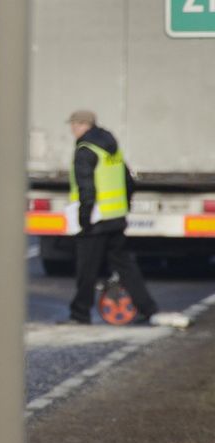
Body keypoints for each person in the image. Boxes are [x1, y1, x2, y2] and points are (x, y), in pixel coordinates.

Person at [66, 110, 181, 325]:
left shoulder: (85, 150)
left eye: (74, 124)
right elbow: (128, 181)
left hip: (96, 220)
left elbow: (86, 189)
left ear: (83, 125)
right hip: (115, 218)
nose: (72, 129)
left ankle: (79, 314)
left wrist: (84, 219)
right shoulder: (111, 147)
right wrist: (123, 208)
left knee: (86, 270)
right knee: (126, 267)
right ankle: (148, 309)